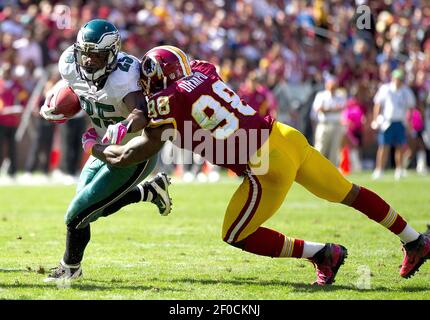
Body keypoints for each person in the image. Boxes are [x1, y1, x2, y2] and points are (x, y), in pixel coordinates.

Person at [92, 46, 429, 285]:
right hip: (285, 136)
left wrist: (106, 141)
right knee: (349, 193)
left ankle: (323, 253)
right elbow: (187, 78)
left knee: (235, 233)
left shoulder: (169, 99)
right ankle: (414, 239)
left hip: (265, 165)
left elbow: (141, 134)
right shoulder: (203, 70)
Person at [39, 20, 172, 282]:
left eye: (96, 55)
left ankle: (69, 268)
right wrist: (54, 102)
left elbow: (140, 111)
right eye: (85, 53)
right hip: (104, 144)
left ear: (112, 55)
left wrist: (120, 128)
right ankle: (149, 191)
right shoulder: (69, 62)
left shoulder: (125, 75)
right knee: (88, 210)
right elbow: (77, 91)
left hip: (133, 151)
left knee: (77, 213)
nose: (88, 61)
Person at [371, 68, 416, 180]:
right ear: (393, 78)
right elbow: (377, 104)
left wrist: (410, 123)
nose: (398, 81)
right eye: (396, 79)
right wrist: (375, 119)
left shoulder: (406, 91)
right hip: (387, 122)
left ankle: (399, 169)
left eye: (400, 79)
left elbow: (410, 108)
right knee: (383, 146)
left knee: (400, 146)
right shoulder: (385, 89)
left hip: (400, 122)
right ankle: (379, 169)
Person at [312, 76, 347, 166]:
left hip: (337, 125)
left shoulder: (340, 96)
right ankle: (316, 168)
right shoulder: (321, 95)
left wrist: (327, 110)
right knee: (320, 148)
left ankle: (333, 171)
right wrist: (333, 109)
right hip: (324, 124)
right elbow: (319, 109)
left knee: (334, 150)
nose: (332, 88)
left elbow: (341, 108)